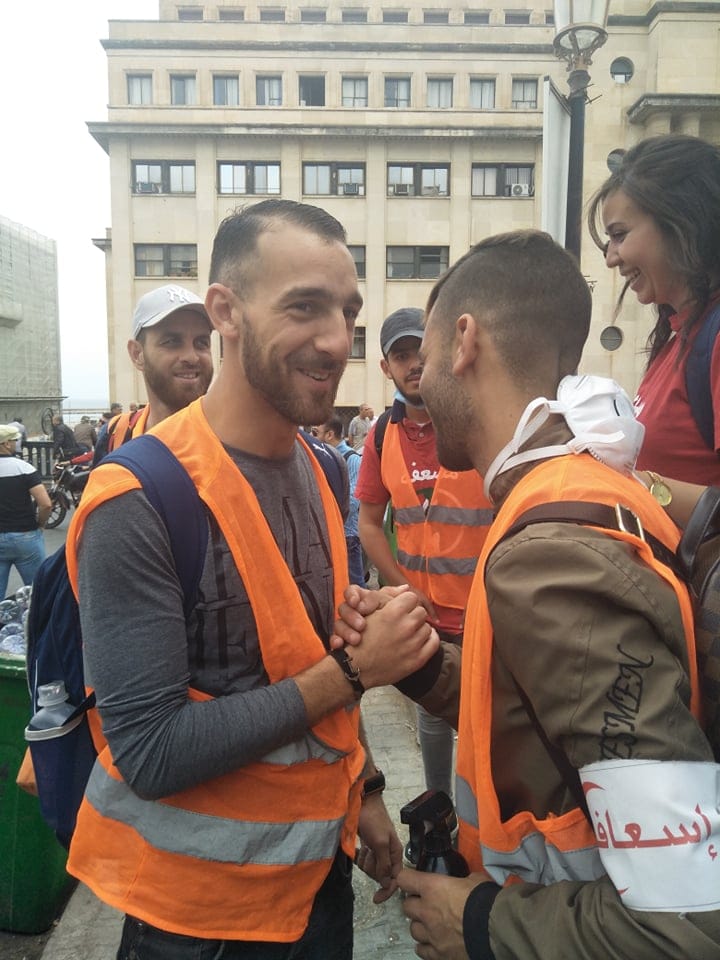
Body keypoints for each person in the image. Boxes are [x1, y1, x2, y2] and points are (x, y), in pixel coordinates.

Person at [65, 198, 439, 959]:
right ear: (226, 312)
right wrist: (354, 671)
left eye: (347, 311)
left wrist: (364, 789)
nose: (335, 338)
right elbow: (152, 752)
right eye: (304, 307)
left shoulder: (323, 468)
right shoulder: (136, 498)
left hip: (317, 887)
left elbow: (315, 651)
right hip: (195, 924)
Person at [344, 230, 720, 959]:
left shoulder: (549, 551)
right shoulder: (574, 487)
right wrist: (420, 665)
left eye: (427, 353)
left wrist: (480, 923)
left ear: (464, 342)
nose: (420, 379)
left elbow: (681, 921)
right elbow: (540, 717)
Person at [355, 307, 492, 811]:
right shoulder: (380, 436)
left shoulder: (477, 419)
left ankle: (481, 822)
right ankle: (443, 816)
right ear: (386, 367)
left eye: (421, 351)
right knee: (433, 719)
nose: (413, 363)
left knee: (490, 722)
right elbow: (370, 524)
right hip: (427, 616)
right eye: (401, 355)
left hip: (487, 612)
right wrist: (404, 587)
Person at [588, 133, 720, 487]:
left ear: (681, 223)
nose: (611, 258)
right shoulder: (679, 340)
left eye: (619, 235)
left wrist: (635, 485)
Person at [92, 284, 214, 464]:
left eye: (202, 342)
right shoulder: (116, 435)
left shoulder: (236, 438)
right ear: (137, 354)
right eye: (172, 342)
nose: (191, 357)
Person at [0, 423, 52, 599]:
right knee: (38, 592)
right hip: (25, 535)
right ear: (6, 443)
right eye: (15, 440)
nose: (17, 443)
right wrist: (41, 524)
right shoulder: (23, 468)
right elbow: (45, 504)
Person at [314, 415, 364, 586]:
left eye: (316, 432)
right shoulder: (322, 457)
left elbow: (354, 500)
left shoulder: (352, 459)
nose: (312, 437)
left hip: (347, 534)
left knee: (355, 583)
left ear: (329, 435)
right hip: (330, 533)